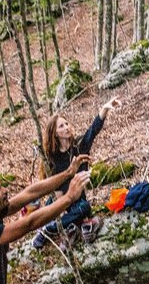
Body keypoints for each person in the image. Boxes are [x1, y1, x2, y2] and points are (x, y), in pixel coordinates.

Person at [31, 97, 121, 249]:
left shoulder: (79, 147)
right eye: (61, 126)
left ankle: (49, 229)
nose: (66, 127)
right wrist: (59, 205)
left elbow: (93, 130)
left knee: (84, 207)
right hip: (60, 197)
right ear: (55, 133)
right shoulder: (51, 158)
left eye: (66, 124)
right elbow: (55, 189)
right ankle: (63, 226)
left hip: (77, 199)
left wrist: (105, 109)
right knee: (47, 209)